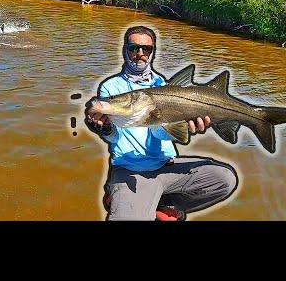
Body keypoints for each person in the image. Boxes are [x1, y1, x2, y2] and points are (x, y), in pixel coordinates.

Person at [84, 25, 238, 221]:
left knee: (224, 179)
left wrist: (185, 128)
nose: (140, 53)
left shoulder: (162, 84)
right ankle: (125, 198)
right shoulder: (111, 87)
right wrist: (104, 128)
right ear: (125, 50)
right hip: (131, 171)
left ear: (152, 52)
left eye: (146, 49)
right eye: (134, 48)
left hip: (167, 166)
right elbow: (116, 135)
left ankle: (162, 205)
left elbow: (160, 133)